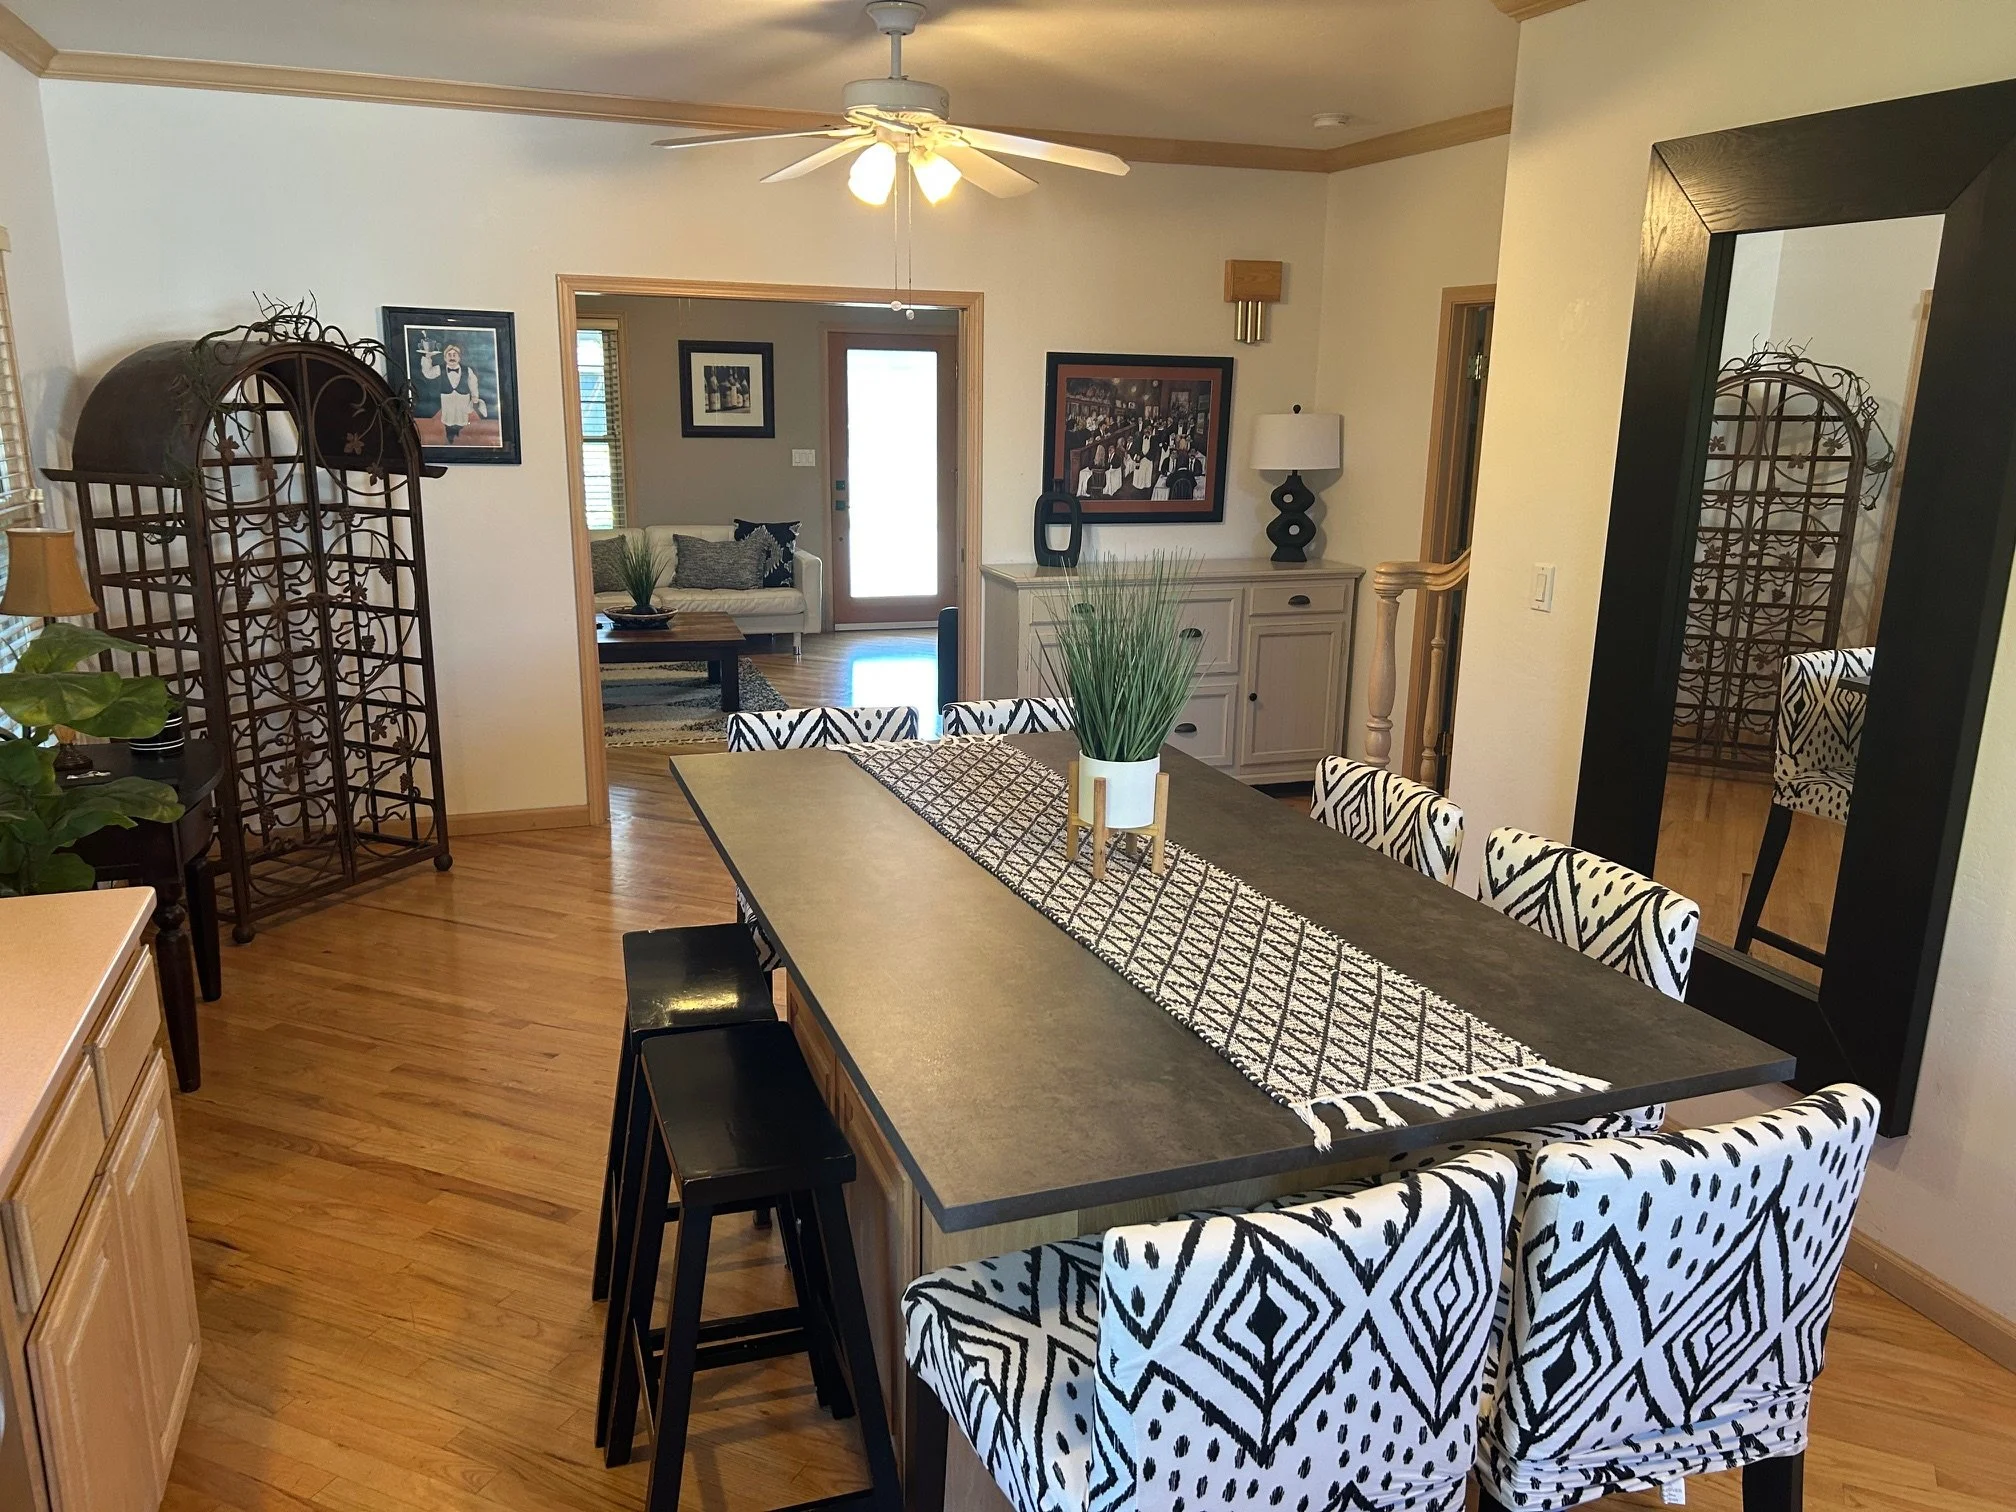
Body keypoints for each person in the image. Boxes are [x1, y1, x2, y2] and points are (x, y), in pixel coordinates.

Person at [416, 336, 488, 444]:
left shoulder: (467, 370)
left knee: (461, 417)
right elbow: (428, 374)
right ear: (444, 357)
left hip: (462, 398)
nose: (452, 357)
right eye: (449, 355)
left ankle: (460, 433)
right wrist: (427, 357)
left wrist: (475, 396)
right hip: (447, 398)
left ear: (460, 357)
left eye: (455, 355)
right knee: (449, 417)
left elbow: (473, 383)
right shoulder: (440, 368)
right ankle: (449, 433)